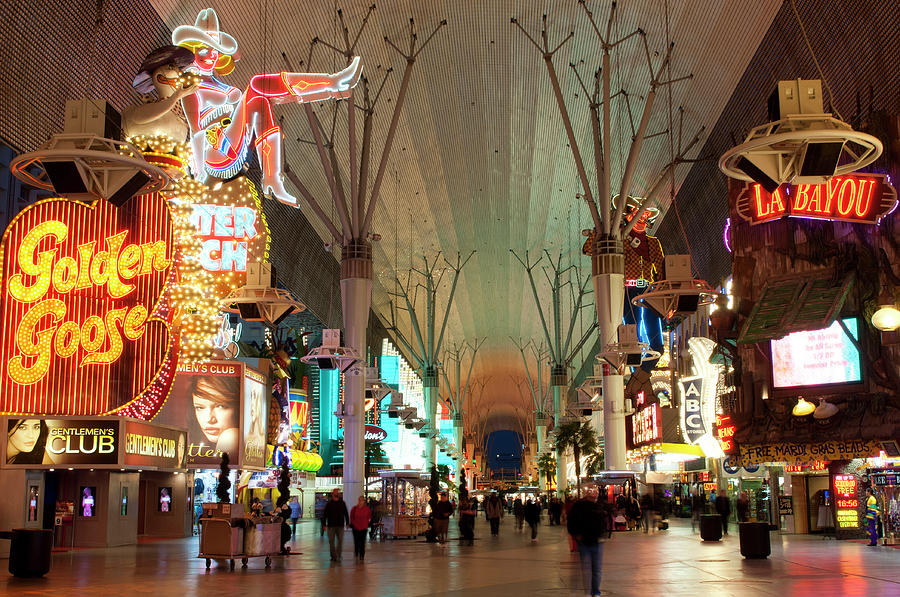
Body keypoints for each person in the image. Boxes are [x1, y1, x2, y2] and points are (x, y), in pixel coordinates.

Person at [172, 8, 361, 205]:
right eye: (203, 50)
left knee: (260, 101)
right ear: (191, 51)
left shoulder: (218, 84)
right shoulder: (191, 85)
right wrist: (200, 172)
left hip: (233, 144)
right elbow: (195, 129)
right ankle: (334, 82)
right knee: (255, 85)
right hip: (215, 150)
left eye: (214, 50)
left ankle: (272, 180)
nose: (210, 56)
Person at [567, 485, 607, 597]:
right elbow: (571, 522)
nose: (594, 494)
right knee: (587, 568)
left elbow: (603, 522)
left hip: (597, 541)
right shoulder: (579, 506)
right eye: (591, 492)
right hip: (584, 541)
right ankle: (589, 592)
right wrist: (576, 535)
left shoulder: (599, 505)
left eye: (595, 492)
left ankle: (595, 592)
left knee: (596, 569)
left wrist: (603, 534)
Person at [323, 488, 350, 561]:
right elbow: (325, 514)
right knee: (331, 541)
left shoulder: (342, 503)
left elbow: (346, 513)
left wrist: (347, 523)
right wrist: (324, 524)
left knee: (340, 541)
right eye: (335, 492)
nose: (337, 493)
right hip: (331, 525)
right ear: (332, 494)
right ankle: (333, 556)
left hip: (340, 525)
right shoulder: (329, 504)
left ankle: (338, 555)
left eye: (338, 492)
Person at [350, 496, 372, 560]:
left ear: (364, 501)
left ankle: (362, 554)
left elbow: (369, 517)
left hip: (363, 527)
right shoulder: (354, 508)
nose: (361, 501)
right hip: (356, 527)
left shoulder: (367, 509)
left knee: (362, 541)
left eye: (362, 500)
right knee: (356, 541)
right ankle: (356, 552)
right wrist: (353, 523)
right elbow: (351, 517)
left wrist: (367, 522)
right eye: (360, 500)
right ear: (358, 500)